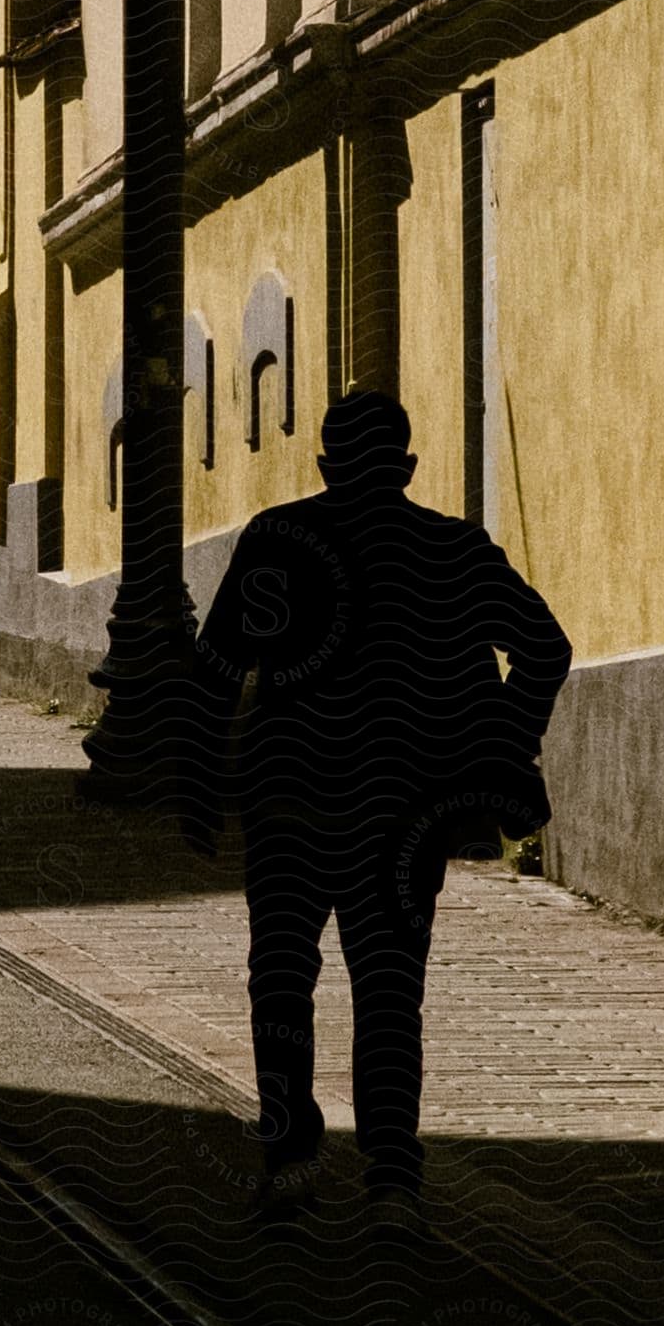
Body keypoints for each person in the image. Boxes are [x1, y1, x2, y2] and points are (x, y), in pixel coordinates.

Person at [186, 390, 571, 1212]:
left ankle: (290, 1151)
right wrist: (506, 742)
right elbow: (545, 647)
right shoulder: (454, 549)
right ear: (407, 468)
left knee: (281, 977)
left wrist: (196, 787)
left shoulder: (279, 539)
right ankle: (392, 1172)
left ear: (324, 466)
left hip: (289, 797)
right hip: (405, 807)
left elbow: (216, 668)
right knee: (391, 987)